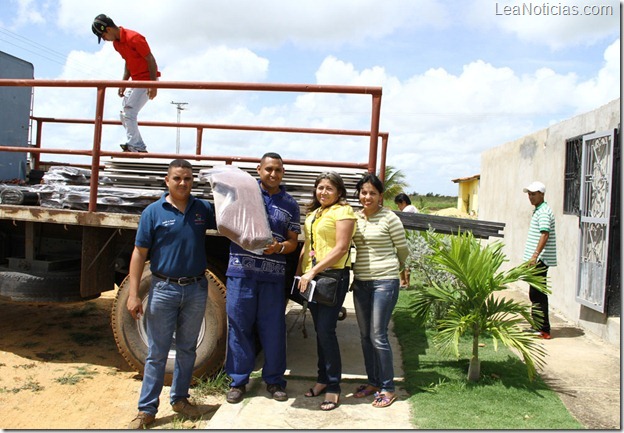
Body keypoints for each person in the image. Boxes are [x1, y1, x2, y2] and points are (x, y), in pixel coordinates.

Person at [125, 159, 216, 429]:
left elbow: (229, 219)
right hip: (163, 289)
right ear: (167, 180)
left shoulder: (203, 209)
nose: (183, 183)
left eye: (188, 179)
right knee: (157, 352)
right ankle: (146, 410)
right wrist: (133, 294)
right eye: (177, 178)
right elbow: (139, 253)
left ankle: (180, 400)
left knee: (188, 349)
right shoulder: (153, 212)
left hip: (196, 289)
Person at [224, 152, 301, 404]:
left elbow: (293, 241)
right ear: (258, 169)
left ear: (283, 172)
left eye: (278, 170)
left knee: (273, 329)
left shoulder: (290, 203)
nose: (273, 174)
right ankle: (238, 381)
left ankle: (275, 381)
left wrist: (278, 248)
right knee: (239, 326)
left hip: (272, 276)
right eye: (268, 169)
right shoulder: (243, 195)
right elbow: (225, 223)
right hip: (241, 272)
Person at [297, 172, 356, 411]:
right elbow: (307, 246)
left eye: (329, 188)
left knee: (326, 331)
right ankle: (322, 380)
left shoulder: (344, 212)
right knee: (320, 333)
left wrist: (312, 272)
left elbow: (341, 248)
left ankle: (333, 387)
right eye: (320, 187)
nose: (323, 192)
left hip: (333, 277)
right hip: (312, 279)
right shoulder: (313, 213)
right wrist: (301, 273)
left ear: (339, 192)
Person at [351, 174, 408, 408]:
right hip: (361, 282)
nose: (367, 197)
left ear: (380, 196)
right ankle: (373, 382)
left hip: (385, 281)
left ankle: (387, 387)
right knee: (365, 337)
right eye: (364, 192)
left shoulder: (390, 218)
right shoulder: (355, 218)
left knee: (378, 335)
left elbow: (402, 249)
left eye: (372, 193)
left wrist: (398, 269)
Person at [91, 14, 160, 153]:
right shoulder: (117, 44)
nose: (104, 39)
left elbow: (150, 59)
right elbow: (128, 61)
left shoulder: (134, 38)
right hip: (136, 81)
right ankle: (136, 144)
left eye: (103, 36)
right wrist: (123, 82)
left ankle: (137, 147)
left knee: (129, 111)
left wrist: (153, 85)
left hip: (147, 79)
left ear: (109, 29)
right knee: (124, 113)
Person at [522, 181, 557, 340]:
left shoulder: (543, 212)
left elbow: (545, 234)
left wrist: (535, 255)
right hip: (537, 259)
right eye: (529, 194)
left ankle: (543, 329)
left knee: (538, 294)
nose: (531, 197)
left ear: (542, 194)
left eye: (534, 194)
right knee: (534, 294)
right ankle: (537, 326)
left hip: (540, 260)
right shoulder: (540, 210)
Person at [394, 193, 416, 287]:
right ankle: (404, 281)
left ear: (403, 202)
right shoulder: (412, 208)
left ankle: (405, 282)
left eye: (398, 204)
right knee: (405, 261)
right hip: (409, 237)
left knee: (404, 261)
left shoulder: (408, 209)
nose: (399, 207)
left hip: (407, 238)